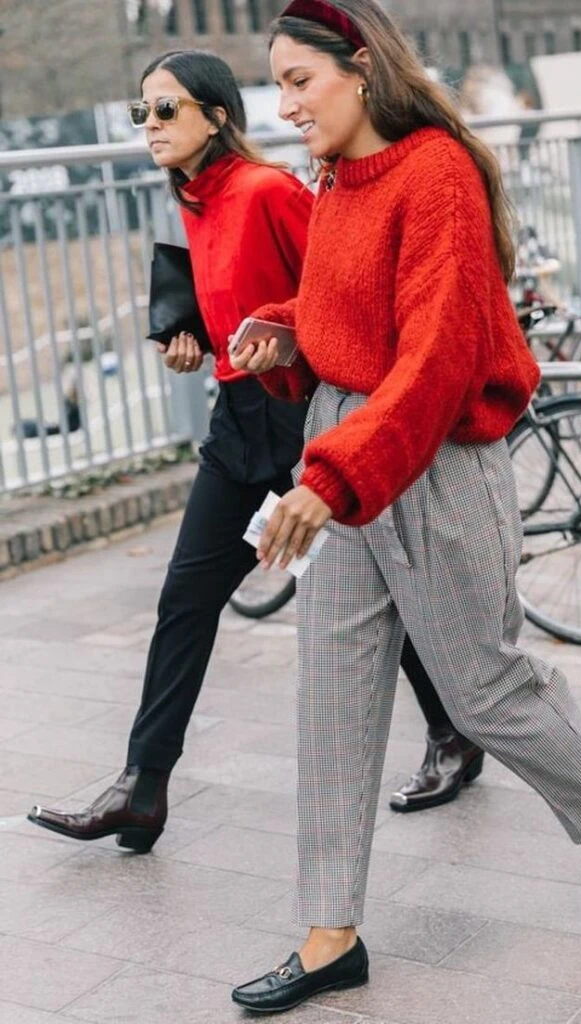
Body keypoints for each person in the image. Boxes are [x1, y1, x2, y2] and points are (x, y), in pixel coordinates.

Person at [228, 0, 581, 1012]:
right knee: (331, 693)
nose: (285, 104)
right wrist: (286, 331)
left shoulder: (435, 174)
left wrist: (332, 474)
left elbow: (432, 357)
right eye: (279, 84)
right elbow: (354, 311)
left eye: (298, 81)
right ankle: (328, 931)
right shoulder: (341, 177)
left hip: (425, 455)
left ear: (358, 68)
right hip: (344, 443)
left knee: (480, 688)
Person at [27, 48, 480, 852]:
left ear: (217, 116)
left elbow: (341, 287)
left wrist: (290, 348)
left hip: (308, 418)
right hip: (240, 422)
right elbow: (239, 304)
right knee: (186, 598)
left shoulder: (268, 190)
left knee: (382, 593)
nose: (151, 127)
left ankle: (454, 732)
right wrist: (198, 339)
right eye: (143, 113)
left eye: (166, 109)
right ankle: (143, 787)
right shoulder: (194, 200)